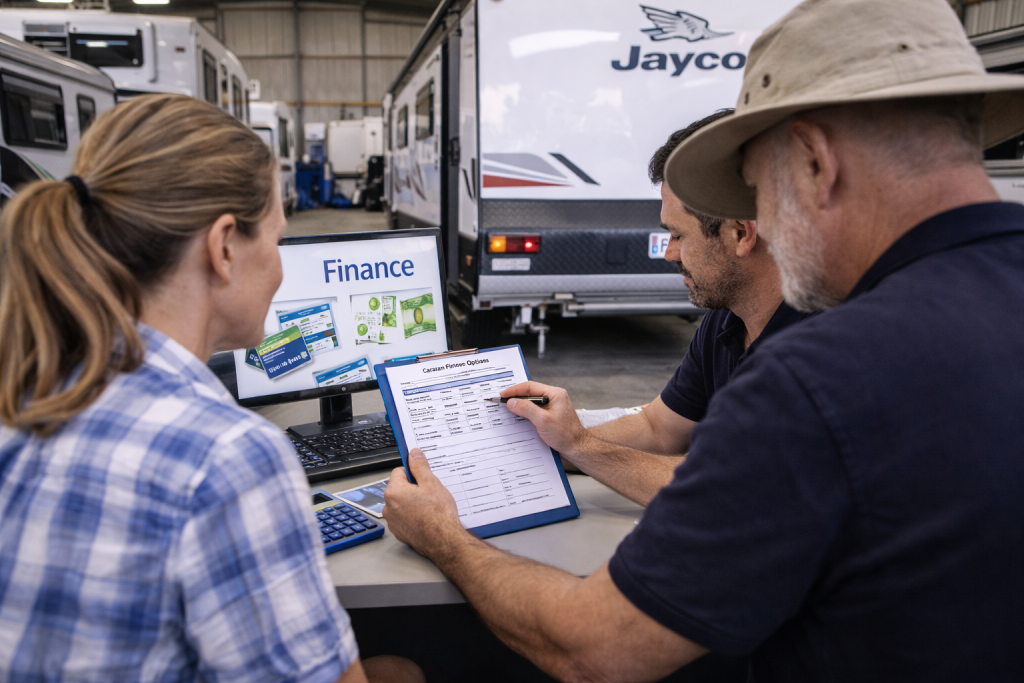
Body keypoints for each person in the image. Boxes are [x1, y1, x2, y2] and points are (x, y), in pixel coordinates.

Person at [382, 0, 1024, 680]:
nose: (761, 220)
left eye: (755, 185)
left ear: (813, 161)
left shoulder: (818, 377)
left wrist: (444, 536)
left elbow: (592, 645)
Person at [0, 95, 422, 683]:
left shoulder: (28, 393)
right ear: (224, 248)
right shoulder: (226, 458)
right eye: (275, 239)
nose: (279, 267)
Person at [572, 109, 811, 505]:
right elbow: (658, 428)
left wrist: (578, 445)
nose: (668, 253)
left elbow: (724, 486)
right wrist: (543, 436)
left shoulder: (817, 347)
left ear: (739, 234)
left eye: (677, 235)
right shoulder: (727, 319)